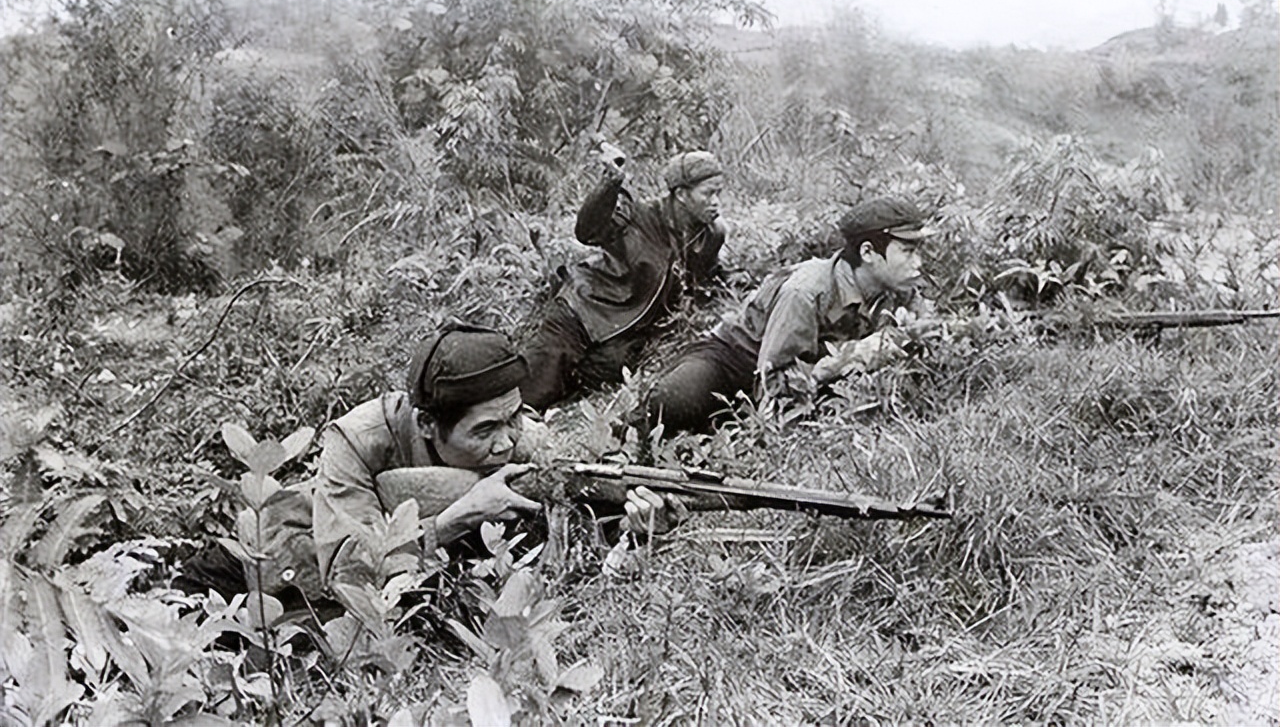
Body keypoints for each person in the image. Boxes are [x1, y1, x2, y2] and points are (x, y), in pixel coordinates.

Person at [178, 325, 676, 607]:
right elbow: (352, 568)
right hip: (266, 561)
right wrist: (454, 519)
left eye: (514, 418)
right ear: (427, 425)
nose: (506, 443)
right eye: (483, 431)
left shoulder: (523, 438)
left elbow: (586, 502)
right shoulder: (358, 440)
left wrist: (639, 524)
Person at [643, 196, 936, 435]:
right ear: (869, 252)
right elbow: (774, 382)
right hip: (734, 361)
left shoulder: (899, 288)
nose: (918, 264)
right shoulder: (806, 292)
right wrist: (856, 355)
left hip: (805, 373)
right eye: (908, 251)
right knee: (670, 404)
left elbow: (925, 335)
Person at [518, 143, 728, 411]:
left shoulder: (712, 235)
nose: (716, 202)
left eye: (719, 193)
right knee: (531, 389)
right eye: (708, 194)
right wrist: (610, 184)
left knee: (603, 374)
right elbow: (587, 231)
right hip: (584, 310)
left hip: (625, 331)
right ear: (682, 195)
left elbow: (707, 278)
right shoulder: (638, 216)